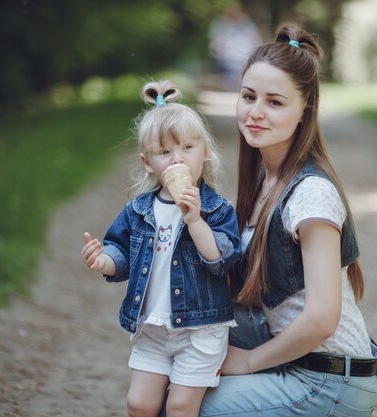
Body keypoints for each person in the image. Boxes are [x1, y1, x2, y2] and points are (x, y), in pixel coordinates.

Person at [167, 24, 377, 417]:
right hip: (294, 358)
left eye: (275, 102)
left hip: (327, 381)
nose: (255, 112)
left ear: (305, 112)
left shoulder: (310, 193)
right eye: (248, 97)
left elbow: (321, 319)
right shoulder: (264, 182)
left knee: (185, 409)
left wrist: (247, 363)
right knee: (176, 369)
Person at [80, 80, 241, 417]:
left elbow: (221, 261)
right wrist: (103, 261)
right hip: (153, 327)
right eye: (165, 152)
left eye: (186, 148)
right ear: (147, 161)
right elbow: (120, 253)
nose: (177, 158)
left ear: (205, 151)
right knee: (139, 403)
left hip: (200, 329)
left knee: (181, 406)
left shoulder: (217, 210)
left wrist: (195, 220)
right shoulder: (139, 209)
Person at [208, 4, 261, 91]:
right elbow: (216, 44)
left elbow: (254, 39)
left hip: (242, 57)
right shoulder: (221, 25)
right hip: (227, 59)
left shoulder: (246, 24)